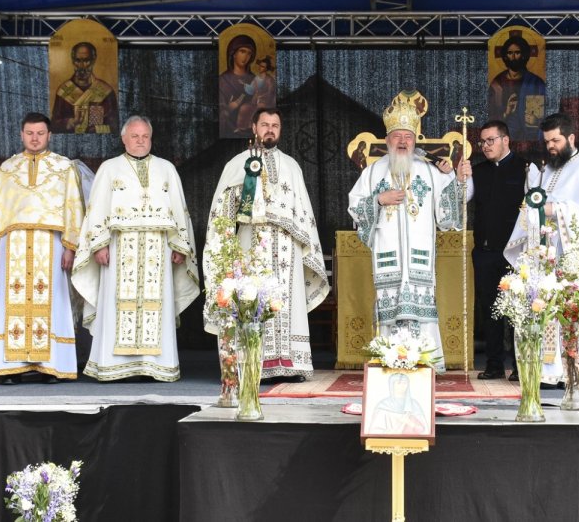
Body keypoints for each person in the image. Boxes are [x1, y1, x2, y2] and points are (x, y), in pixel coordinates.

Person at [204, 108, 329, 381]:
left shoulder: (292, 166)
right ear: (254, 128)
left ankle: (291, 364)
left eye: (275, 125)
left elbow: (303, 212)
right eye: (265, 124)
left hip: (287, 248)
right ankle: (253, 365)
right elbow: (222, 211)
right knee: (252, 299)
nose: (270, 129)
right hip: (250, 244)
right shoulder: (238, 164)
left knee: (287, 302)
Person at [72, 116, 199, 381]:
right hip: (118, 249)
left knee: (158, 306)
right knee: (116, 305)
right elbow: (96, 210)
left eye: (145, 136)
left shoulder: (166, 169)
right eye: (135, 136)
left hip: (159, 248)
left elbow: (180, 209)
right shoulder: (109, 168)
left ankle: (154, 366)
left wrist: (180, 245)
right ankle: (115, 366)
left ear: (151, 139)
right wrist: (99, 245)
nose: (140, 141)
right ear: (124, 139)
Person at [504, 113, 579, 389]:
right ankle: (551, 372)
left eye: (556, 140)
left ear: (571, 138)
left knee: (575, 313)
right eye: (547, 142)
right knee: (547, 311)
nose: (551, 146)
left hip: (575, 260)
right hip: (549, 257)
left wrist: (552, 209)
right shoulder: (549, 171)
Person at [347, 94, 464, 371]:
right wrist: (378, 200)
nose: (402, 141)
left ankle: (426, 364)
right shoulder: (372, 172)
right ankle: (390, 361)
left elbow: (447, 215)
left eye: (407, 137)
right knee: (390, 311)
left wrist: (456, 179)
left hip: (419, 259)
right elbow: (355, 209)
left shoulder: (431, 171)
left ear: (414, 140)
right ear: (387, 140)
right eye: (397, 136)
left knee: (422, 312)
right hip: (388, 259)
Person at [0, 112, 85, 383]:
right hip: (14, 246)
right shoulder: (8, 169)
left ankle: (51, 366)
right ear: (22, 134)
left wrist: (70, 247)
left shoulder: (64, 167)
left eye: (40, 133)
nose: (35, 139)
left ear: (49, 135)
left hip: (51, 244)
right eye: (30, 133)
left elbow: (74, 208)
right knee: (12, 303)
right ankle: (12, 366)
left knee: (52, 301)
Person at [462, 120, 533, 380]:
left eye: (490, 140)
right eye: (482, 141)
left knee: (516, 309)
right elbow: (461, 200)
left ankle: (518, 364)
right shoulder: (477, 171)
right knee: (490, 308)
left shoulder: (526, 169)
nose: (485, 145)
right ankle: (493, 364)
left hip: (515, 252)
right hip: (485, 251)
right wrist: (459, 178)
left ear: (505, 140)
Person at [52, 42, 119, 135]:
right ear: (73, 61)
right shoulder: (63, 91)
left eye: (86, 60)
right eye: (77, 61)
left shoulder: (106, 92)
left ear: (93, 61)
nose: (81, 66)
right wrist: (71, 122)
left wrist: (97, 129)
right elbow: (54, 125)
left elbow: (115, 126)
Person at [487, 33, 546, 141]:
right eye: (510, 53)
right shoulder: (497, 84)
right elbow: (491, 116)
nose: (513, 57)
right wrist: (506, 112)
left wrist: (536, 121)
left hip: (529, 137)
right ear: (505, 56)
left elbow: (544, 114)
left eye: (517, 53)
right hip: (504, 137)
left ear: (524, 55)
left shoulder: (535, 82)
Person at [219, 34, 257, 136]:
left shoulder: (255, 79)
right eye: (242, 51)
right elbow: (219, 111)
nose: (246, 57)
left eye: (249, 53)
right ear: (233, 53)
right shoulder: (223, 80)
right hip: (229, 133)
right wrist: (229, 108)